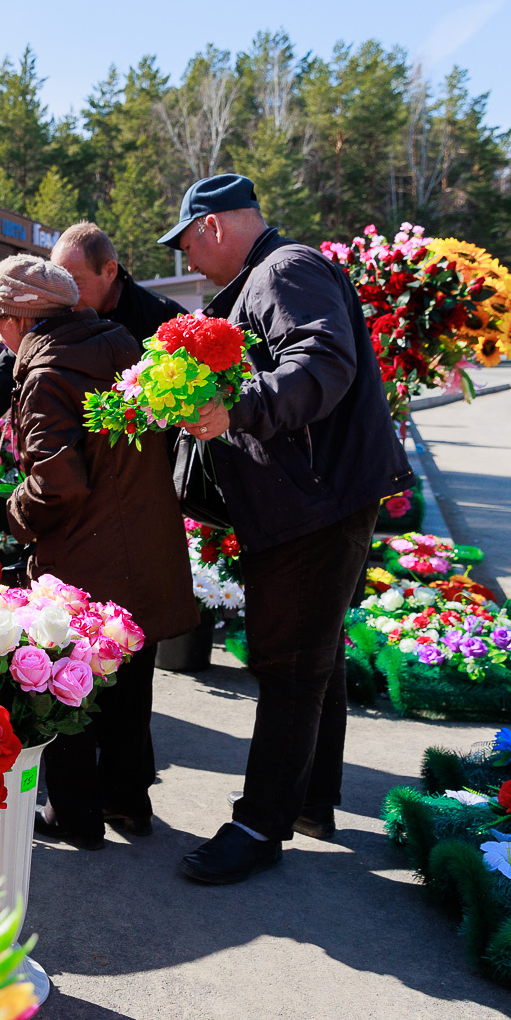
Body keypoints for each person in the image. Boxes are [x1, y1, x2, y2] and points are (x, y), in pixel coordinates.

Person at [162, 173, 411, 885]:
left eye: (186, 244)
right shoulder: (269, 275)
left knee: (289, 662)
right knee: (314, 653)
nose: (187, 261)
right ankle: (309, 802)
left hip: (315, 500)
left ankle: (258, 825)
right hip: (312, 495)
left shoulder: (284, 268)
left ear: (212, 226)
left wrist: (239, 410)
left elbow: (323, 361)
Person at [0, 255, 198, 850]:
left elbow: (58, 483)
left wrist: (11, 515)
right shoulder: (119, 345)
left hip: (87, 558)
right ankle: (128, 802)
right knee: (129, 680)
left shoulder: (48, 374)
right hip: (144, 545)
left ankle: (75, 815)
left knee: (69, 679)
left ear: (22, 318)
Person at [0, 222, 183, 464]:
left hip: (148, 463)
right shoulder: (61, 307)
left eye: (75, 282)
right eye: (60, 281)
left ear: (110, 271)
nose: (65, 293)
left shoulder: (162, 320)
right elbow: (11, 363)